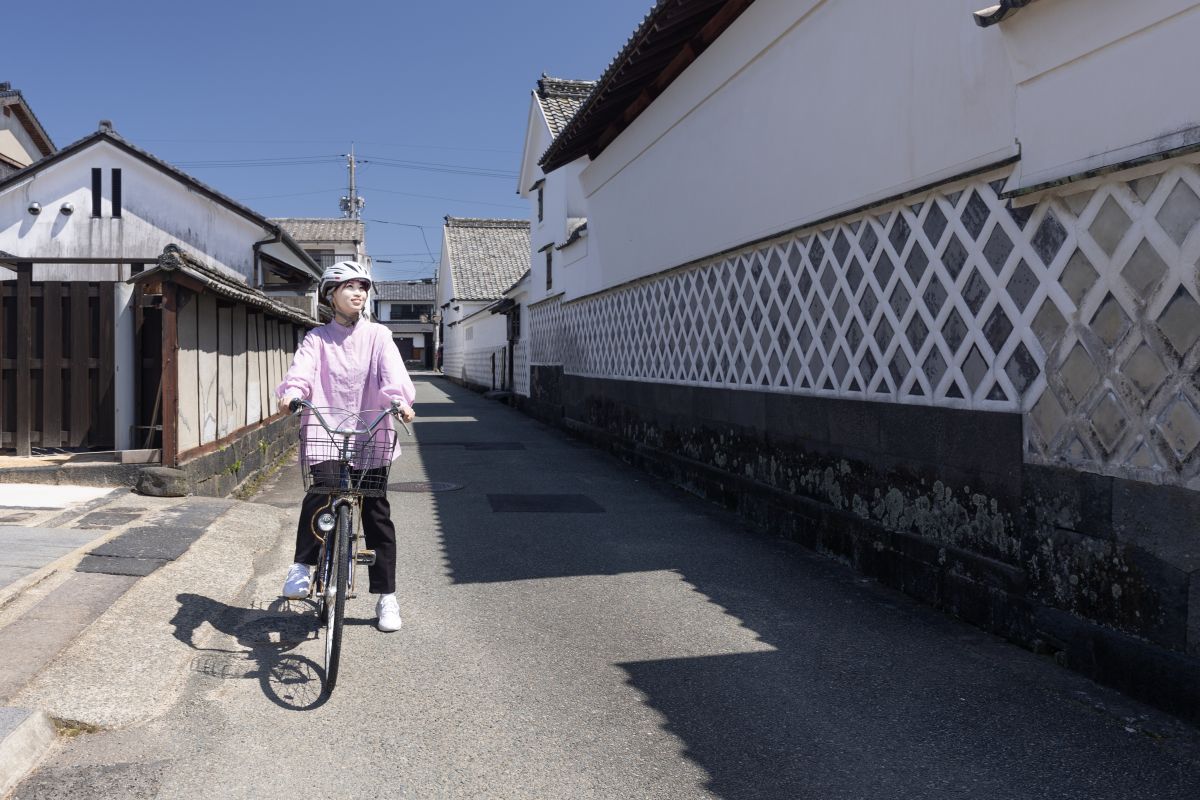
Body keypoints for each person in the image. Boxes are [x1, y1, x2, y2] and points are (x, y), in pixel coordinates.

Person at [276, 260, 417, 632]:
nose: (358, 293)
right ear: (331, 295)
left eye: (363, 287)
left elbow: (392, 374)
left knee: (376, 512)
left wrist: (400, 401)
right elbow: (302, 373)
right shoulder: (316, 339)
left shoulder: (378, 336)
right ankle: (302, 567)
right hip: (326, 431)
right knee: (321, 492)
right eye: (349, 287)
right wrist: (292, 394)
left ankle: (387, 597)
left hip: (371, 432)